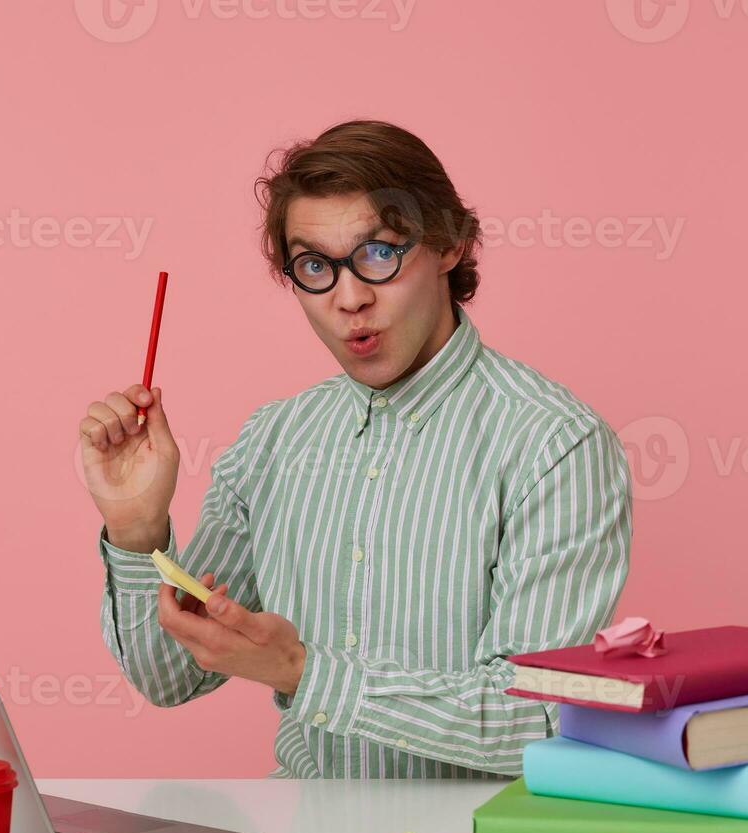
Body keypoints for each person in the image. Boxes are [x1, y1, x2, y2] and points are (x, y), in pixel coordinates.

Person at [78, 119, 632, 778]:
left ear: (450, 243)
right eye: (315, 265)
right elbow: (169, 678)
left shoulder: (555, 444)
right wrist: (136, 532)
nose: (349, 299)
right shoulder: (275, 439)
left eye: (379, 253)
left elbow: (533, 721)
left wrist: (302, 673)